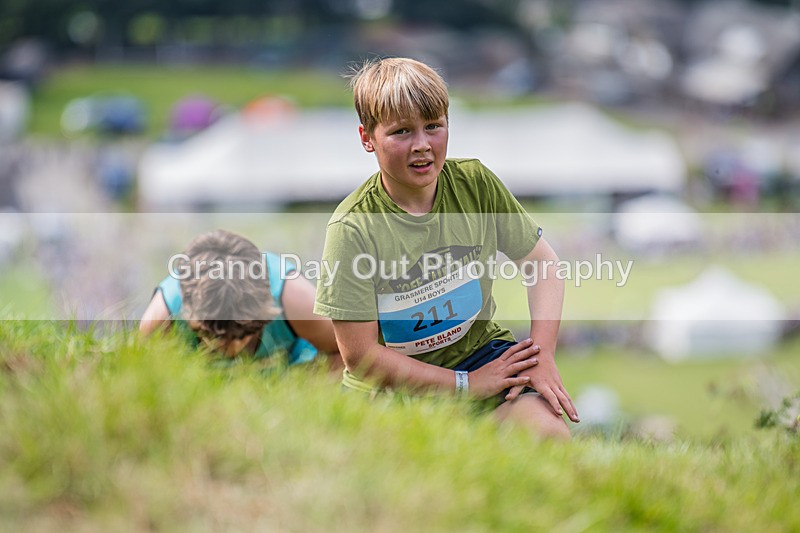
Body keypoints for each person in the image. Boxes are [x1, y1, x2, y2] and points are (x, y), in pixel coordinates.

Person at [313, 57, 578, 438]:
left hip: (482, 358)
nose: (422, 145)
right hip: (392, 389)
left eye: (433, 126)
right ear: (366, 138)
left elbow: (542, 264)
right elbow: (361, 357)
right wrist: (465, 385)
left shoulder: (475, 183)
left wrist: (543, 354)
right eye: (402, 132)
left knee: (549, 436)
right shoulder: (351, 228)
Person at [141, 229, 341, 368]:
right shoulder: (161, 319)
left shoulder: (294, 298)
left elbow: (346, 355)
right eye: (214, 337)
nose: (233, 349)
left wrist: (298, 390)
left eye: (244, 336)